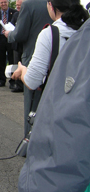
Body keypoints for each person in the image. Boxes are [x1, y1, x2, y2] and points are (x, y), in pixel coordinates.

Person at [18, 18, 90, 192]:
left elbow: (32, 80)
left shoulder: (55, 34)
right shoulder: (81, 33)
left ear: (51, 5)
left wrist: (22, 71)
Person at [12, 0, 88, 91]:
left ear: (51, 5)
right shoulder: (85, 29)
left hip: (60, 100)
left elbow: (32, 81)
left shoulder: (50, 34)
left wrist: (23, 69)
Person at [4, 0, 53, 136]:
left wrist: (9, 34)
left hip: (32, 58)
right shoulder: (55, 3)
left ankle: (29, 140)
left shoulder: (28, 5)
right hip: (56, 59)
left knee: (32, 103)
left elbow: (20, 34)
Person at [0, 0, 17, 88]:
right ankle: (2, 80)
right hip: (1, 39)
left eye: (5, 2)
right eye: (1, 2)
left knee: (12, 60)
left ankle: (12, 81)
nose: (3, 4)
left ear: (8, 2)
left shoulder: (14, 13)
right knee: (1, 61)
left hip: (11, 39)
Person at [10, 0, 26, 92]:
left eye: (19, 5)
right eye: (17, 5)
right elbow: (11, 25)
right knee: (17, 64)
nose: (18, 7)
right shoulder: (15, 14)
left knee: (25, 64)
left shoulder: (27, 14)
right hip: (17, 44)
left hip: (25, 44)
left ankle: (25, 85)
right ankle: (18, 85)